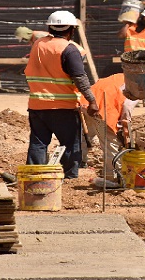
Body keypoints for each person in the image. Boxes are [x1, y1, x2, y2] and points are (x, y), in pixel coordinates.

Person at [24, 10, 100, 179]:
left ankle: (35, 176)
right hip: (63, 107)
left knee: (38, 143)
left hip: (37, 106)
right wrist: (92, 100)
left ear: (49, 27)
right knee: (70, 144)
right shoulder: (69, 49)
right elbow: (80, 78)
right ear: (72, 29)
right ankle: (69, 177)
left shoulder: (38, 44)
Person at [81, 73, 139, 184]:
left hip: (86, 103)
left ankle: (79, 164)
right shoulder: (141, 87)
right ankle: (113, 175)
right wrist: (124, 130)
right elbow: (126, 109)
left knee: (85, 136)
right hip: (100, 110)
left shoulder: (125, 76)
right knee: (110, 142)